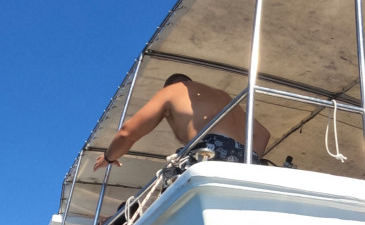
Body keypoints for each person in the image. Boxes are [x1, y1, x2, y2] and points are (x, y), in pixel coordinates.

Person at [92, 73, 270, 171]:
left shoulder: (173, 91)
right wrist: (245, 158)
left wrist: (109, 157)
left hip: (209, 151)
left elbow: (126, 132)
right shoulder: (222, 96)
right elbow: (262, 134)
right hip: (247, 158)